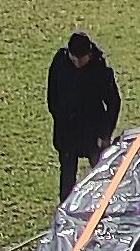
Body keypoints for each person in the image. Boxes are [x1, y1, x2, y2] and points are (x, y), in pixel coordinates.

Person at [48, 31, 121, 203]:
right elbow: (52, 95)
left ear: (89, 54)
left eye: (81, 59)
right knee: (67, 178)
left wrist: (105, 135)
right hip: (67, 130)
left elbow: (113, 102)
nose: (78, 63)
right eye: (74, 59)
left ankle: (104, 210)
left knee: (102, 176)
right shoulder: (60, 63)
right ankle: (65, 212)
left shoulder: (100, 68)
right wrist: (59, 117)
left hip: (92, 130)